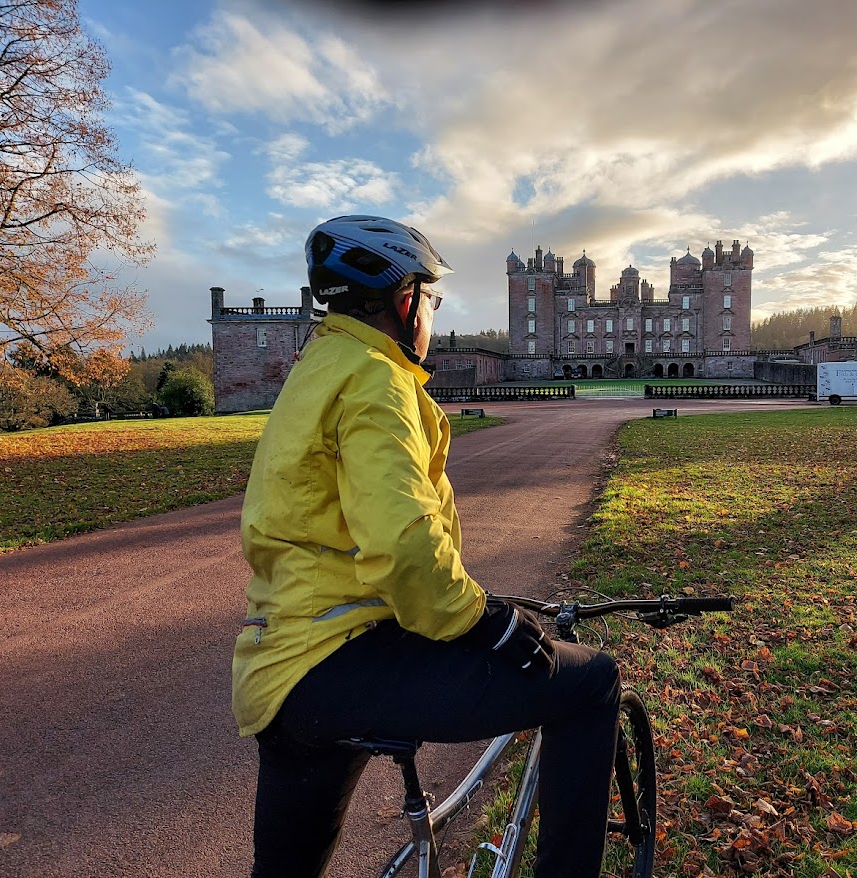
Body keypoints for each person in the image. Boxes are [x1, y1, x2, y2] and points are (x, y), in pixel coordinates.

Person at [232, 215, 621, 878]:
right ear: (404, 301)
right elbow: (406, 545)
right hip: (346, 658)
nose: (431, 317)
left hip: (279, 670)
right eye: (430, 300)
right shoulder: (375, 382)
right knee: (590, 683)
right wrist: (486, 621)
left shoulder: (317, 367)